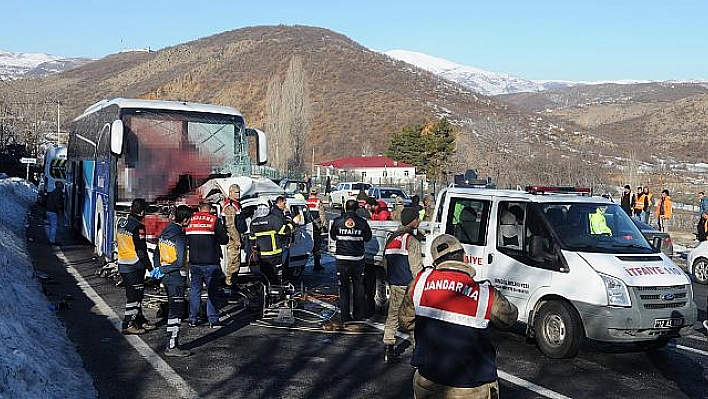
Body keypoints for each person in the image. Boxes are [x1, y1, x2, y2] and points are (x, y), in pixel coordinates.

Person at [399, 234, 518, 399]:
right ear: (464, 257)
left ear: (435, 263)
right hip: (471, 388)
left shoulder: (418, 284)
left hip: (428, 381)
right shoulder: (485, 293)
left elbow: (405, 321)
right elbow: (509, 318)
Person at [382, 208, 423, 364]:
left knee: (393, 316)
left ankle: (388, 347)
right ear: (411, 221)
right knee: (413, 319)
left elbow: (385, 262)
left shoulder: (392, 238)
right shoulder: (411, 240)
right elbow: (416, 267)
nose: (418, 221)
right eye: (417, 218)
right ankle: (417, 352)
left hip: (394, 283)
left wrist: (390, 279)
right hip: (408, 285)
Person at [154, 205, 193, 357]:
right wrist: (164, 270)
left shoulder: (165, 231)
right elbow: (179, 261)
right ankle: (172, 346)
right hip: (176, 276)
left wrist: (159, 269)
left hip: (166, 276)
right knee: (176, 312)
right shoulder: (180, 236)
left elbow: (157, 252)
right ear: (185, 220)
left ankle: (171, 344)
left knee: (172, 308)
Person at [186, 202, 229, 328]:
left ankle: (193, 318)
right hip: (211, 262)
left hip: (194, 262)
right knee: (212, 292)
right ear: (210, 209)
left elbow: (186, 239)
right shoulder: (214, 220)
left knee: (195, 291)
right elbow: (223, 240)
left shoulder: (191, 220)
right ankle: (213, 319)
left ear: (199, 208)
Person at [116, 198, 156, 335]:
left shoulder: (121, 222)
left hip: (122, 263)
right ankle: (128, 324)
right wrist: (150, 268)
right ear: (142, 211)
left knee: (133, 294)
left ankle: (139, 319)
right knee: (135, 296)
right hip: (134, 265)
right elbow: (141, 250)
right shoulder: (138, 227)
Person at [330, 199, 372, 323]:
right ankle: (358, 315)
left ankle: (345, 316)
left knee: (344, 288)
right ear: (356, 209)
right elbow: (368, 237)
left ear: (345, 207)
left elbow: (333, 236)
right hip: (358, 260)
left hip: (342, 259)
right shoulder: (362, 222)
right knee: (358, 288)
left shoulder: (338, 221)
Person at [249, 197, 293, 284]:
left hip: (262, 256)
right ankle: (277, 293)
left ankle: (266, 293)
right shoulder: (273, 219)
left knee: (265, 276)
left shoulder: (253, 222)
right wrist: (291, 224)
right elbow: (283, 231)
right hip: (275, 255)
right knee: (276, 276)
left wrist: (255, 250)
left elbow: (252, 240)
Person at [222, 184, 247, 286]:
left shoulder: (236, 204)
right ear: (230, 193)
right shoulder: (230, 206)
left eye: (239, 192)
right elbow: (230, 225)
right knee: (233, 262)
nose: (238, 194)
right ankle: (230, 284)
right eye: (236, 192)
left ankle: (233, 283)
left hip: (236, 237)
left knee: (236, 262)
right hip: (232, 239)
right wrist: (237, 239)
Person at [307, 188, 326, 271]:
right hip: (316, 226)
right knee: (317, 246)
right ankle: (317, 264)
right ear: (317, 193)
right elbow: (321, 214)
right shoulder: (318, 201)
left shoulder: (306, 201)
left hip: (308, 226)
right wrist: (324, 225)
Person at [45, 180, 65, 246]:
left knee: (52, 226)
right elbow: (57, 202)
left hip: (49, 210)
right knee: (54, 226)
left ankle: (51, 240)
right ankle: (52, 241)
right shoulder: (58, 192)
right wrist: (59, 209)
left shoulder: (54, 191)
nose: (63, 185)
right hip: (52, 211)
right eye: (61, 184)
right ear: (58, 185)